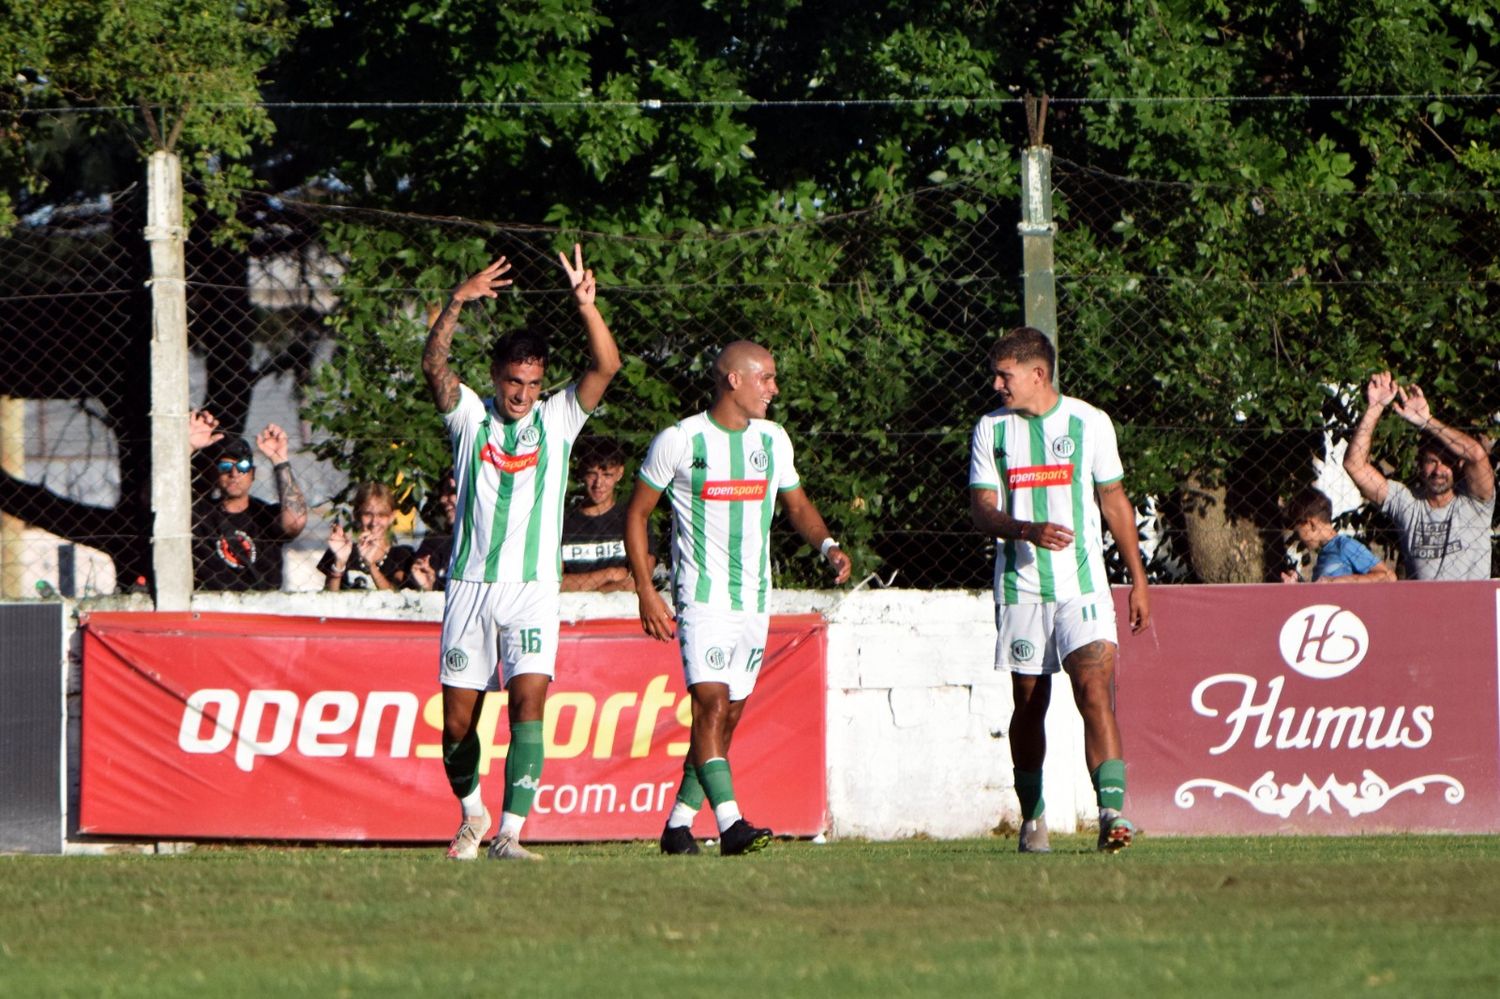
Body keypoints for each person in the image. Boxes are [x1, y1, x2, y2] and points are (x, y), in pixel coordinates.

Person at [422, 245, 620, 862]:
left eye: (534, 383)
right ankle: (471, 814)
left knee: (529, 704)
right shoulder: (470, 420)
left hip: (533, 589)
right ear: (497, 376)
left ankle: (510, 831)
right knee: (458, 725)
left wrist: (587, 307)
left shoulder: (558, 419)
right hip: (470, 587)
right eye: (515, 381)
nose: (524, 394)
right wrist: (457, 300)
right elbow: (433, 365)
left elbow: (607, 365)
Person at [623, 340, 852, 857]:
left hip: (753, 601)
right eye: (766, 378)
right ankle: (731, 826)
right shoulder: (681, 440)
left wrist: (828, 545)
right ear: (733, 380)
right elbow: (636, 514)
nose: (774, 388)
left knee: (727, 718)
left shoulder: (772, 441)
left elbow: (797, 506)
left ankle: (678, 826)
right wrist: (645, 589)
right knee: (710, 705)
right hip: (701, 600)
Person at [967, 326, 1150, 855]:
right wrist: (1025, 530)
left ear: (1037, 374)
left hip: (1083, 586)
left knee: (1095, 689)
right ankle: (1034, 818)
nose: (997, 384)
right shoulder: (991, 429)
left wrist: (1137, 579)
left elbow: (1114, 500)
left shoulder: (1089, 423)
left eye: (1005, 374)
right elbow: (981, 508)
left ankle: (1112, 815)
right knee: (1030, 704)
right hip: (1021, 588)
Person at [1343, 370, 1494, 580]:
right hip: (1423, 609)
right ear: (1420, 466)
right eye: (1431, 462)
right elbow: (1355, 466)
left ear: (1458, 466)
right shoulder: (1407, 502)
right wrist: (1375, 408)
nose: (1439, 470)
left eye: (1446, 462)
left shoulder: (1475, 502)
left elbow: (1476, 455)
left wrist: (1426, 421)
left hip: (1472, 608)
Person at [188, 412, 308, 591]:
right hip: (211, 607)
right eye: (225, 466)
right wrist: (188, 447)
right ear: (215, 474)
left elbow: (295, 522)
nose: (234, 473)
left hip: (263, 607)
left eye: (242, 467)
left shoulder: (265, 515)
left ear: (252, 474)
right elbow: (155, 503)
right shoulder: (201, 514)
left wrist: (279, 460)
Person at [560, 436, 655, 591]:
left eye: (607, 475)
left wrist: (589, 588)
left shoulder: (632, 520)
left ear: (619, 473)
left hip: (622, 610)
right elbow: (555, 583)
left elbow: (637, 581)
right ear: (582, 473)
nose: (599, 484)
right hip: (573, 611)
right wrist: (609, 574)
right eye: (592, 474)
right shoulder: (562, 523)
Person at [1280, 486, 1395, 584]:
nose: (1299, 538)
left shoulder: (1345, 545)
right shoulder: (1324, 554)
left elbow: (1388, 576)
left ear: (1311, 524)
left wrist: (1338, 582)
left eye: (1298, 531)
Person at [318, 481, 416, 590]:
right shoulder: (344, 550)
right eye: (368, 514)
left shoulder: (402, 556)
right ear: (357, 515)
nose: (374, 522)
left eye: (382, 515)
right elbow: (330, 599)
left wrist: (371, 566)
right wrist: (339, 563)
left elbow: (396, 596)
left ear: (391, 517)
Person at [409, 468, 457, 592]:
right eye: (443, 492)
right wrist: (429, 588)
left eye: (452, 491)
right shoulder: (434, 544)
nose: (442, 499)